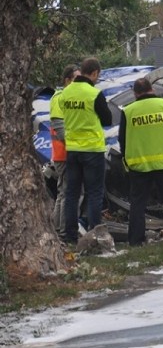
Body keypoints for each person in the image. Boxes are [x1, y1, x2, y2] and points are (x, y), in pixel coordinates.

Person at [119, 78, 163, 245]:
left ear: (135, 94)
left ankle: (135, 240)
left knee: (138, 204)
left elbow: (122, 140)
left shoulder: (128, 111)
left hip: (139, 164)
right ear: (152, 89)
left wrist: (127, 161)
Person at [62, 57, 113, 244]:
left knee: (72, 193)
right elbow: (107, 119)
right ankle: (95, 236)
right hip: (92, 149)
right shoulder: (94, 94)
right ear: (94, 73)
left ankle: (69, 235)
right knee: (94, 193)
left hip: (73, 149)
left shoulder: (65, 93)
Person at [49, 64, 80, 233]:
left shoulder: (65, 96)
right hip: (65, 152)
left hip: (65, 152)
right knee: (66, 193)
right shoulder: (60, 97)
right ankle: (61, 230)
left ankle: (61, 229)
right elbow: (60, 129)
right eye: (76, 78)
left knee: (65, 192)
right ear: (67, 80)